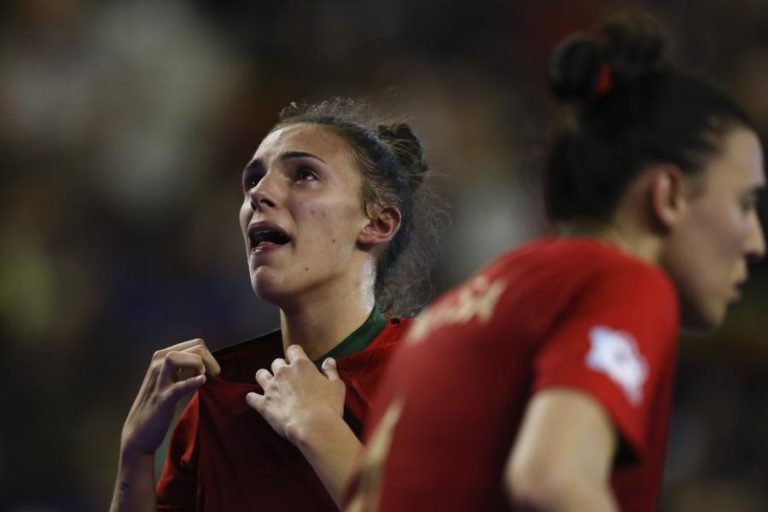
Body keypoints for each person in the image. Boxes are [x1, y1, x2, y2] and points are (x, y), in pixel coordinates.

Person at [346, 12, 765, 512]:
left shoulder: (469, 301)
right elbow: (550, 479)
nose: (757, 241)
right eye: (745, 204)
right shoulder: (624, 280)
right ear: (669, 194)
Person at [109, 99, 441, 511]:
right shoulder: (220, 394)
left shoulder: (434, 369)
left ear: (378, 224)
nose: (258, 194)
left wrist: (319, 431)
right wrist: (136, 453)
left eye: (304, 175)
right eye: (252, 181)